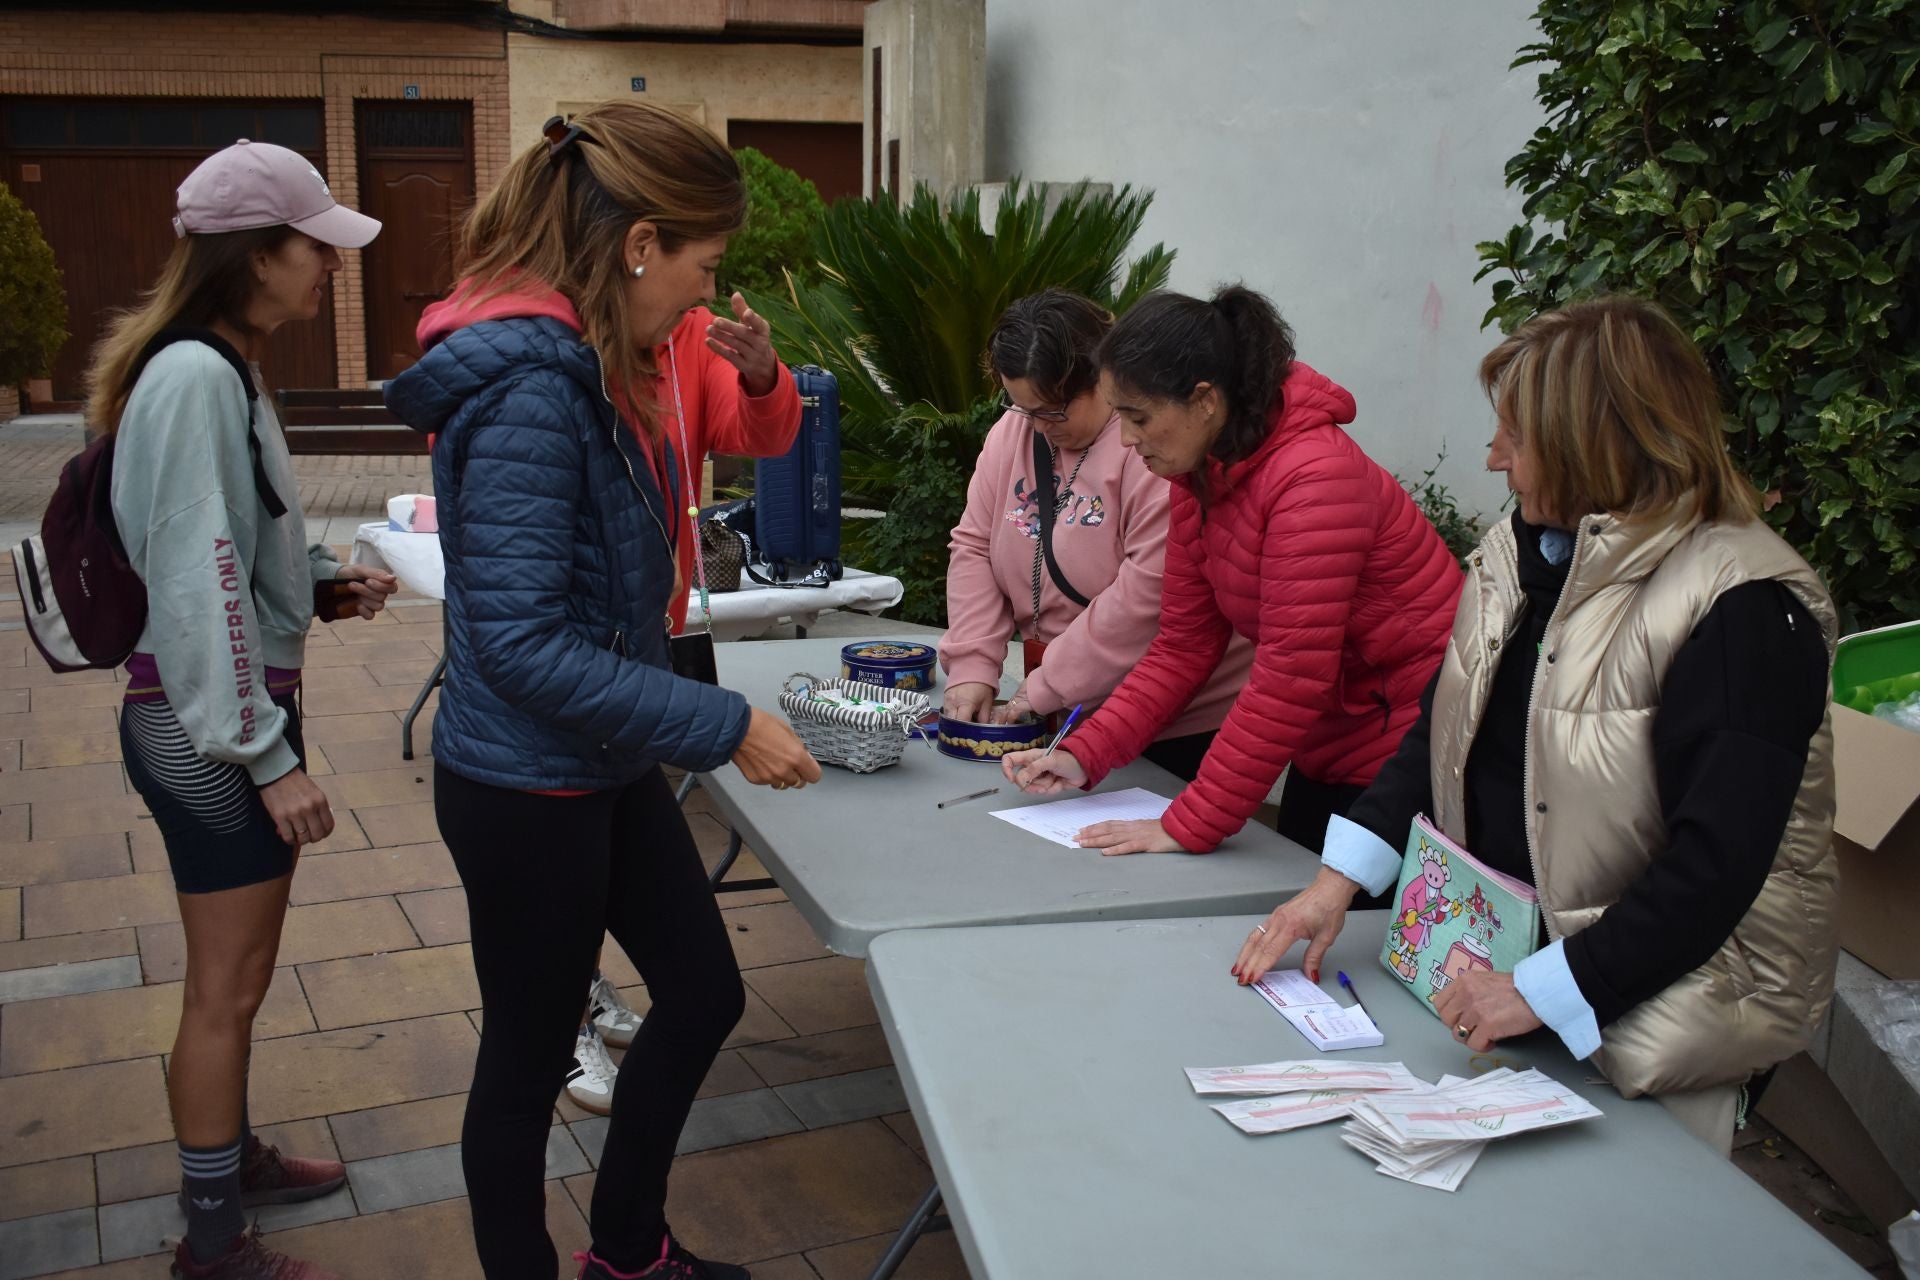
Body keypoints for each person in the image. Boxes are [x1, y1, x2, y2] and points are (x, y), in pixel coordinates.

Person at [1231, 296, 1839, 1154]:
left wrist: (1544, 989)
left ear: (1593, 442)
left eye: (1515, 436)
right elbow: (1444, 735)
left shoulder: (1745, 611)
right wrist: (1341, 881)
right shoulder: (1524, 554)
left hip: (1657, 1010)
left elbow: (1718, 864)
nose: (1493, 459)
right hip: (1524, 983)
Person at [383, 101, 820, 1280]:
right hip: (528, 786)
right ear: (638, 243)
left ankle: (627, 1247)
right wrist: (725, 722)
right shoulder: (536, 386)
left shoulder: (591, 358)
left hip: (599, 759)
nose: (699, 297)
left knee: (701, 990)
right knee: (526, 1067)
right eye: (700, 266)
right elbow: (520, 644)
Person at [100, 140, 396, 1280]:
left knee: (242, 975)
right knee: (223, 988)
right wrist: (265, 756)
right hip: (207, 730)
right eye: (312, 244)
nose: (328, 264)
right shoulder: (193, 377)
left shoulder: (225, 365)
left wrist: (317, 584)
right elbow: (193, 579)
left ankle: (226, 1160)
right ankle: (213, 1239)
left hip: (228, 714)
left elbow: (236, 539)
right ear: (252, 254)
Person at [1004, 286, 1463, 859]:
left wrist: (1187, 824)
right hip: (1329, 741)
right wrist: (1085, 753)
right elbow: (1182, 647)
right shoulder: (1203, 477)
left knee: (1346, 933)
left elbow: (1289, 677)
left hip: (1403, 748)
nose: (1126, 438)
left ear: (1204, 401)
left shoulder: (1313, 481)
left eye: (1139, 416)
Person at [939, 289, 1252, 780]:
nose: (1039, 427)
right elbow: (975, 545)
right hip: (1063, 700)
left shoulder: (1152, 450)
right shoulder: (1012, 432)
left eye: (1054, 410)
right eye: (1024, 408)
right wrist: (973, 666)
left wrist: (1044, 687)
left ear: (1103, 379)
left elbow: (1145, 594)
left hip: (1171, 719)